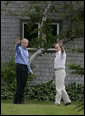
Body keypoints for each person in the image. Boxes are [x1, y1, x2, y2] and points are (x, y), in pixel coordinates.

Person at [14, 38, 33, 104]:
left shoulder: (26, 51)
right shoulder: (19, 49)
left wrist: (30, 70)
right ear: (21, 43)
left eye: (25, 43)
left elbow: (27, 62)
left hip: (25, 68)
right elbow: (16, 49)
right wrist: (16, 44)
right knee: (19, 84)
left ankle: (21, 100)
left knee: (23, 84)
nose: (24, 44)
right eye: (23, 43)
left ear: (27, 44)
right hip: (19, 67)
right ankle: (16, 101)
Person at [53, 40, 71, 106]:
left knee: (58, 87)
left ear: (60, 48)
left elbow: (63, 51)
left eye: (57, 47)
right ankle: (67, 101)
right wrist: (54, 73)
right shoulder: (57, 55)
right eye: (55, 48)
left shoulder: (62, 53)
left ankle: (57, 102)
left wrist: (61, 46)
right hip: (57, 71)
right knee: (62, 87)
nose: (56, 49)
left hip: (60, 71)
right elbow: (56, 65)